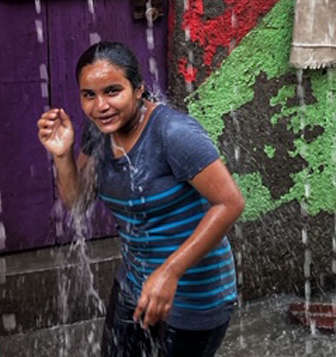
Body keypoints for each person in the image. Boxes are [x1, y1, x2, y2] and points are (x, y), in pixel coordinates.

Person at [37, 41, 245, 357]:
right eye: (89, 95)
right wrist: (63, 155)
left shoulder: (174, 134)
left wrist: (170, 272)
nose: (100, 105)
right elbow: (77, 202)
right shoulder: (98, 133)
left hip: (196, 293)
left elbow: (230, 203)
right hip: (136, 283)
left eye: (112, 91)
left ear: (137, 90)